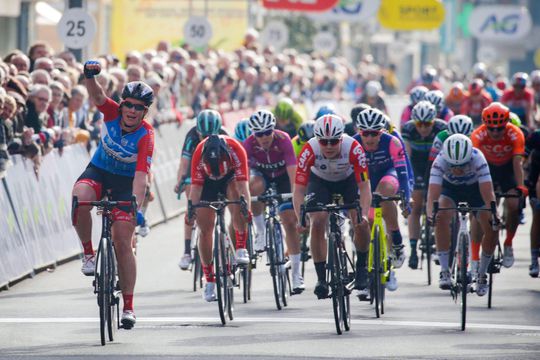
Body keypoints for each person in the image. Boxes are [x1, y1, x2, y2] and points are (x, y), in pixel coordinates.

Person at [72, 60, 155, 329]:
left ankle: (129, 307)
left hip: (126, 183)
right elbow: (96, 95)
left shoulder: (146, 135)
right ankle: (88, 253)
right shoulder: (111, 113)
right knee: (80, 197)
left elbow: (141, 176)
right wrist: (89, 76)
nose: (131, 110)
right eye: (128, 104)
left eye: (138, 107)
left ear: (145, 111)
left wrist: (136, 206)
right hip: (99, 171)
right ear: (122, 105)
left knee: (122, 240)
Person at [293, 114, 372, 298]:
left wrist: (365, 214)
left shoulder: (353, 147)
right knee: (318, 220)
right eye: (324, 141)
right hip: (320, 182)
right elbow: (298, 190)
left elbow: (364, 186)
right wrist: (300, 218)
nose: (328, 146)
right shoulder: (309, 149)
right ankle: (321, 279)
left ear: (341, 138)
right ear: (317, 139)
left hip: (348, 181)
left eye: (333, 141)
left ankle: (361, 268)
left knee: (359, 221)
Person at [426, 134, 498, 296]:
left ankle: (482, 273)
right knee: (440, 216)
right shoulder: (440, 160)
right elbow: (432, 196)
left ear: (469, 158)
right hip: (451, 189)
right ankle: (444, 270)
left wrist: (494, 214)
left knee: (492, 227)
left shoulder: (478, 158)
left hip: (476, 190)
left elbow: (488, 193)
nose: (457, 169)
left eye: (463, 165)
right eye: (453, 165)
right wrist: (431, 214)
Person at [243, 109, 304, 293]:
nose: (264, 137)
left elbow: (293, 173)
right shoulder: (248, 144)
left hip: (283, 177)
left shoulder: (283, 139)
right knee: (254, 187)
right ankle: (260, 231)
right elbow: (244, 178)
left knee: (289, 222)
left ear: (273, 129)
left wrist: (296, 200)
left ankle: (296, 274)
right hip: (262, 177)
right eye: (259, 134)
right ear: (254, 134)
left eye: (267, 132)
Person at [353, 108, 411, 291]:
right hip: (365, 181)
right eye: (365, 133)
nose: (369, 138)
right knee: (366, 223)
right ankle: (369, 270)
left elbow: (403, 173)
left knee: (384, 193)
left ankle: (396, 239)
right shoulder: (353, 144)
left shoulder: (392, 142)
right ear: (359, 131)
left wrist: (406, 198)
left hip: (388, 175)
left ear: (382, 131)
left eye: (374, 133)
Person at [188, 134, 251, 302]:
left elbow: (244, 187)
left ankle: (240, 247)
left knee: (237, 198)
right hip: (206, 183)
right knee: (205, 228)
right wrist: (191, 212)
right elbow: (195, 190)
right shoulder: (199, 155)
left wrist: (247, 210)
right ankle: (209, 280)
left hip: (230, 178)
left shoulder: (236, 150)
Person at [471, 102, 527, 269]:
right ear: (485, 125)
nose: (495, 132)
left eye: (500, 128)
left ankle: (508, 243)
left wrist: (521, 187)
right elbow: (474, 164)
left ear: (506, 125)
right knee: (479, 211)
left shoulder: (515, 133)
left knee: (513, 204)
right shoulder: (477, 135)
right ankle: (474, 257)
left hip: (507, 169)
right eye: (491, 128)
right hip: (486, 168)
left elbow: (518, 164)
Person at [175, 109, 228, 270]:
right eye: (203, 136)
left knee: (221, 204)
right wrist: (180, 182)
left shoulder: (224, 135)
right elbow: (184, 164)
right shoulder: (191, 136)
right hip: (195, 170)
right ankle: (186, 251)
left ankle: (223, 232)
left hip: (217, 171)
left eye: (209, 137)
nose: (206, 140)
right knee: (191, 202)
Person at [401, 101, 447, 269]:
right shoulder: (408, 128)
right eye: (419, 124)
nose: (423, 128)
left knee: (437, 202)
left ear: (434, 121)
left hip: (436, 163)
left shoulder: (442, 128)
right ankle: (413, 249)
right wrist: (410, 179)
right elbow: (407, 156)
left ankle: (435, 236)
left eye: (427, 123)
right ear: (414, 122)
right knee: (416, 204)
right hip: (417, 166)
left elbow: (445, 154)